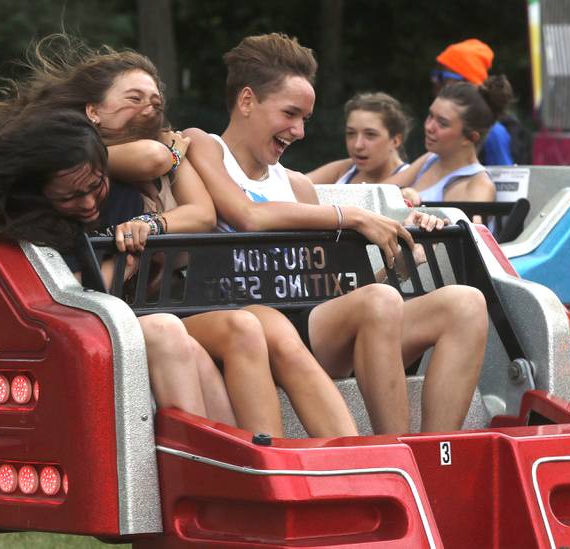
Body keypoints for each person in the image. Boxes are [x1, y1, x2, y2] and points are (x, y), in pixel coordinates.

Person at [0, 35, 357, 439]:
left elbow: (201, 216)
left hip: (160, 305)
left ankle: (269, 460)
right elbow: (150, 163)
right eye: (134, 98)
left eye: (155, 100)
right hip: (112, 315)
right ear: (93, 111)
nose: (149, 107)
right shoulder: (79, 158)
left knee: (245, 328)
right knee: (221, 329)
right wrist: (170, 157)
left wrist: (153, 223)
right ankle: (259, 465)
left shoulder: (148, 162)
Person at [185, 33, 488, 434]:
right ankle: (394, 451)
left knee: (464, 303)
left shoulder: (296, 185)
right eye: (290, 114)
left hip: (312, 323)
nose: (299, 131)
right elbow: (248, 216)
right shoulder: (203, 147)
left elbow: (335, 290)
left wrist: (401, 259)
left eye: (304, 120)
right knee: (378, 301)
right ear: (246, 101)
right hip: (244, 321)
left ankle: (433, 453)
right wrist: (353, 216)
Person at [388, 76, 513, 207]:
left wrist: (411, 204)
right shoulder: (431, 159)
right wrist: (402, 192)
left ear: (470, 137)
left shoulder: (479, 185)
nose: (428, 127)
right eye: (430, 116)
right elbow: (377, 192)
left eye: (442, 123)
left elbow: (470, 226)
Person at [430, 38, 514, 166]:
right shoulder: (435, 126)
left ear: (467, 83)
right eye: (435, 74)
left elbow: (503, 182)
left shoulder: (493, 133)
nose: (435, 81)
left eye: (442, 76)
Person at [307, 92, 411, 184]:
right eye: (351, 133)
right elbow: (292, 189)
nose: (357, 145)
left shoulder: (414, 179)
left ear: (396, 141)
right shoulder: (344, 169)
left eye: (370, 135)